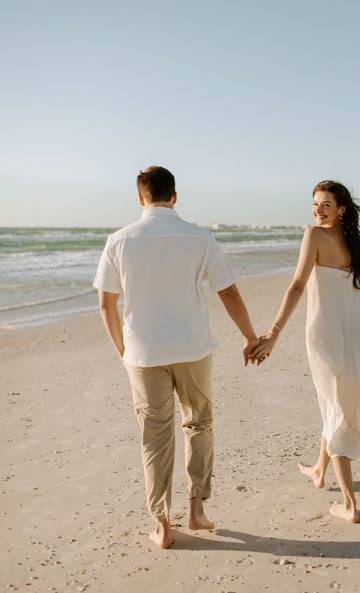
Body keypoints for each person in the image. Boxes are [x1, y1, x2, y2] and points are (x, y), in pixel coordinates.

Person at [93, 166, 259, 549]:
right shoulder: (200, 238)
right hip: (193, 347)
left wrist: (123, 350)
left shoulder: (118, 240)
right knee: (198, 422)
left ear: (140, 198)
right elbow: (228, 292)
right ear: (175, 196)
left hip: (143, 352)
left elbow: (106, 304)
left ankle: (162, 522)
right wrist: (250, 337)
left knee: (155, 437)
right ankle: (198, 509)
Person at [251, 180, 360, 523]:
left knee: (334, 407)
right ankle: (318, 470)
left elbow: (297, 285)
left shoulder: (313, 235)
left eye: (326, 204)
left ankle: (350, 505)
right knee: (338, 401)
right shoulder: (357, 245)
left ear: (341, 209)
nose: (317, 210)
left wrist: (273, 334)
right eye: (315, 204)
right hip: (354, 336)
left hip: (325, 335)